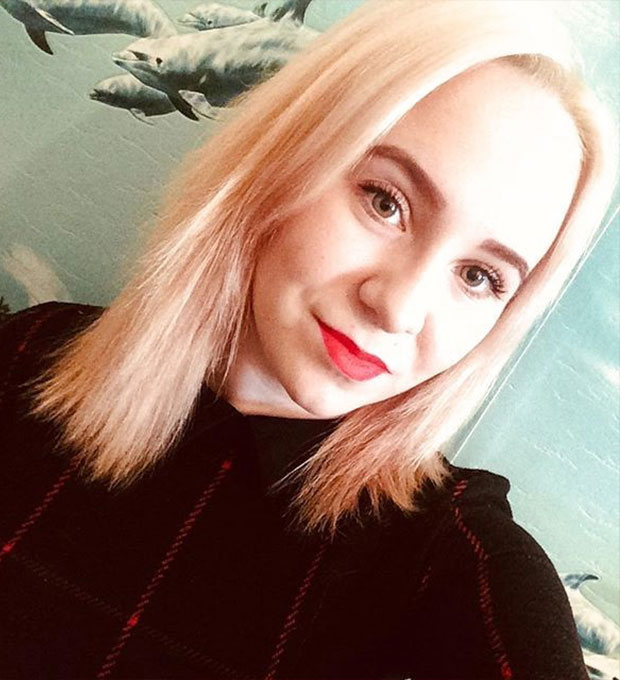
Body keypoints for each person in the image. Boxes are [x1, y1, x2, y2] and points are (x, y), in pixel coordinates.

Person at [0, 1, 617, 678]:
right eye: (385, 201)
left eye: (478, 276)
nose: (399, 309)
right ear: (285, 157)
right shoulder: (25, 355)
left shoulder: (447, 559)